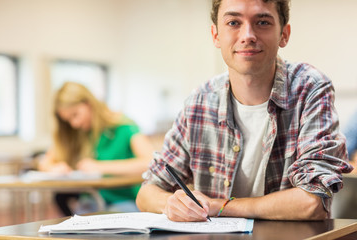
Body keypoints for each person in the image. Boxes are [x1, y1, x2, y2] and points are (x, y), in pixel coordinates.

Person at [136, 0, 353, 222]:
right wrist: (171, 204)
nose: (248, 35)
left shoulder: (309, 88)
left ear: (284, 34)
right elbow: (147, 193)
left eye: (262, 22)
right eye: (233, 22)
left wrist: (219, 206)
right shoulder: (199, 102)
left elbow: (312, 202)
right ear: (216, 35)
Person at [38, 81, 154, 215]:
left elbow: (150, 162)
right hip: (92, 201)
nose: (74, 124)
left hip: (124, 201)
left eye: (75, 114)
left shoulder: (124, 126)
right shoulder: (77, 133)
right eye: (68, 120)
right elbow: (45, 162)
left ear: (88, 103)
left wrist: (99, 167)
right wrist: (54, 168)